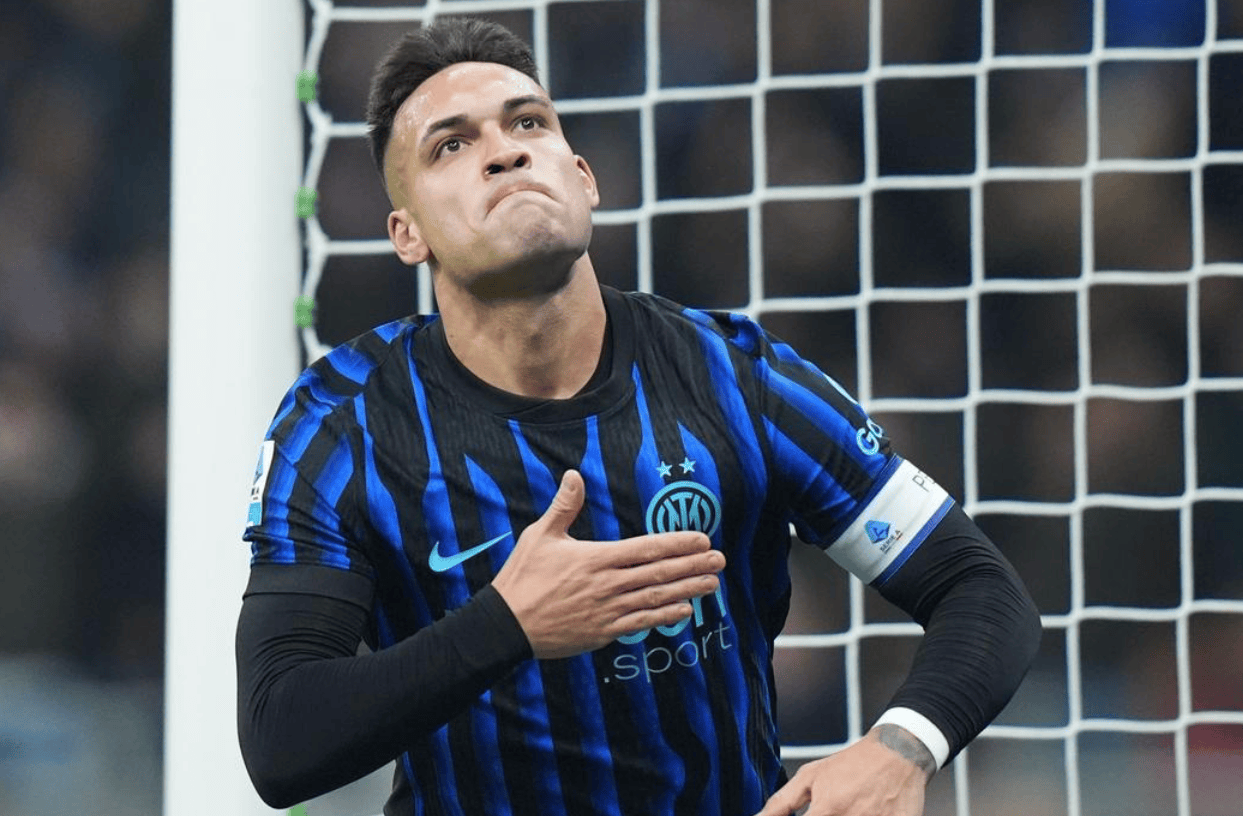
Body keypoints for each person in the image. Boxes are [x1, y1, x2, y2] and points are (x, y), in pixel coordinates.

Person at [236, 17, 1042, 816]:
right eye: (451, 144)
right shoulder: (345, 421)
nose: (506, 151)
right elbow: (280, 742)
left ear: (583, 178)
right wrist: (507, 625)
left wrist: (900, 746)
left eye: (528, 123)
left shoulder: (731, 376)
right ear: (406, 234)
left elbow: (980, 590)